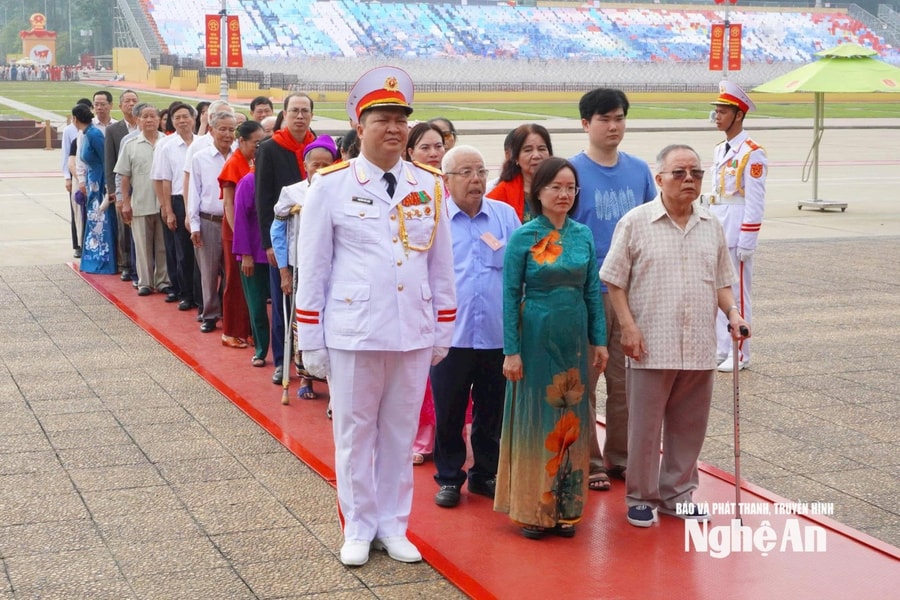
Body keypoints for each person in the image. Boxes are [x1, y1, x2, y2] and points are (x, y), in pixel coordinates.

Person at [295, 66, 456, 567]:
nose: (394, 128)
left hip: (412, 329)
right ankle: (359, 526)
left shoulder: (429, 184)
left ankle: (393, 524)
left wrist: (443, 327)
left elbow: (441, 264)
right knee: (354, 434)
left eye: (400, 120)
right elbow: (314, 266)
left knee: (400, 435)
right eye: (382, 119)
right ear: (359, 126)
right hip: (355, 331)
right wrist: (310, 338)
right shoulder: (331, 185)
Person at [599, 144, 750, 528]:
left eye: (696, 173)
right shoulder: (635, 222)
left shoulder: (711, 225)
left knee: (689, 427)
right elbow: (614, 281)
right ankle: (641, 497)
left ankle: (678, 495)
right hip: (650, 344)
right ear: (659, 178)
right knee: (645, 429)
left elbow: (722, 281)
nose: (688, 180)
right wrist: (628, 326)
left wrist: (733, 313)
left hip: (698, 345)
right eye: (679, 173)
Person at [495, 157, 608, 540]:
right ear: (539, 191)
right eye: (556, 187)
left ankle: (566, 507)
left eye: (570, 187)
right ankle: (533, 508)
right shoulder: (523, 236)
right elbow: (510, 295)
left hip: (573, 336)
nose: (564, 194)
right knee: (537, 418)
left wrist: (599, 340)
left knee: (572, 417)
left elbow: (592, 290)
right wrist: (511, 351)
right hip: (535, 334)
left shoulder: (583, 234)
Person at [569, 88, 657, 491]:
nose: (613, 126)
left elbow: (652, 227)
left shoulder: (639, 171)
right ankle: (590, 461)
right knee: (584, 382)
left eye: (619, 118)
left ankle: (621, 457)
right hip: (588, 294)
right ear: (586, 124)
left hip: (630, 295)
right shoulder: (571, 172)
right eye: (604, 119)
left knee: (626, 383)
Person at [431, 145, 520, 509]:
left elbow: (518, 269)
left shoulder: (504, 215)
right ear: (446, 180)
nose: (476, 180)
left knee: (491, 410)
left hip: (496, 334)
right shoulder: (434, 219)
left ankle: (485, 474)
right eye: (466, 172)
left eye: (481, 171)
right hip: (451, 335)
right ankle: (449, 477)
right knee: (449, 411)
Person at [706, 81, 767, 373]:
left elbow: (755, 200)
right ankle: (723, 348)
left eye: (723, 112)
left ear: (738, 115)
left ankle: (740, 352)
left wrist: (748, 240)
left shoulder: (752, 152)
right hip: (718, 226)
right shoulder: (721, 149)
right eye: (716, 112)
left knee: (739, 293)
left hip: (737, 229)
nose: (717, 117)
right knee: (719, 291)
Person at [255, 93, 317, 385]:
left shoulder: (320, 148)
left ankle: (309, 363)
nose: (300, 116)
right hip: (283, 239)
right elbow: (263, 198)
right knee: (283, 303)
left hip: (313, 241)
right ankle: (281, 361)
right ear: (285, 113)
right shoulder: (270, 148)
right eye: (295, 111)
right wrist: (269, 244)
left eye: (305, 111)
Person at [272, 135, 339, 398]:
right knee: (302, 322)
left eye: (326, 165)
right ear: (305, 165)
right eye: (315, 165)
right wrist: (284, 271)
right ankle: (305, 377)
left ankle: (333, 380)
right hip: (302, 267)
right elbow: (277, 231)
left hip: (334, 267)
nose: (320, 170)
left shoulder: (341, 190)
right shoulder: (292, 192)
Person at [403, 120, 447, 464]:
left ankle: (450, 434)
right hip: (417, 292)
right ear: (410, 152)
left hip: (450, 289)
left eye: (438, 146)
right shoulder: (408, 188)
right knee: (423, 376)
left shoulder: (451, 184)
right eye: (425, 147)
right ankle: (421, 437)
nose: (433, 153)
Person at [218, 120, 265, 349]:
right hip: (235, 232)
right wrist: (240, 236)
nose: (259, 147)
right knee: (236, 282)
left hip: (253, 232)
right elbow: (228, 205)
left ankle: (249, 330)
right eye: (256, 143)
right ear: (242, 141)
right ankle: (231, 331)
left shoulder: (255, 161)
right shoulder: (234, 163)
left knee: (253, 283)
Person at [188, 111, 236, 334]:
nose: (227, 134)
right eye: (222, 129)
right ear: (211, 130)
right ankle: (209, 314)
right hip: (209, 220)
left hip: (234, 222)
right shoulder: (200, 157)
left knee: (231, 271)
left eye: (231, 130)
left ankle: (228, 311)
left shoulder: (240, 155)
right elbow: (194, 192)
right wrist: (194, 225)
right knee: (208, 272)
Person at [115, 104, 170, 296]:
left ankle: (163, 280)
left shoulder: (167, 142)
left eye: (153, 116)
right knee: (142, 246)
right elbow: (124, 176)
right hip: (140, 202)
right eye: (145, 116)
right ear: (137, 120)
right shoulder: (130, 145)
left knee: (163, 246)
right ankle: (145, 282)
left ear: (159, 120)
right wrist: (125, 201)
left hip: (164, 205)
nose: (149, 120)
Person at [152, 102, 196, 309]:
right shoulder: (167, 145)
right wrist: (167, 209)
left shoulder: (203, 143)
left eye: (185, 116)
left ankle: (201, 294)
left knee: (200, 251)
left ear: (193, 119)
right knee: (182, 251)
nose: (182, 121)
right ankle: (185, 293)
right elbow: (163, 179)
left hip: (198, 200)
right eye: (177, 118)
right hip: (178, 201)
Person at [232, 171, 270, 367]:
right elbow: (240, 218)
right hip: (253, 254)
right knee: (256, 306)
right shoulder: (248, 182)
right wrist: (245, 254)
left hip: (278, 255)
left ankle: (285, 350)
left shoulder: (282, 178)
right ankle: (261, 350)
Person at [75, 104, 117, 275]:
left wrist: (108, 186)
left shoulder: (94, 134)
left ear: (75, 119)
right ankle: (94, 257)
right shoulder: (86, 133)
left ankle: (104, 260)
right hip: (93, 183)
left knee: (102, 221)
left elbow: (106, 160)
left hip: (100, 183)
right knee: (94, 221)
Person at [104, 89, 140, 282]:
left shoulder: (145, 126)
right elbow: (110, 162)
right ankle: (126, 265)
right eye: (127, 101)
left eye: (134, 100)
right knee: (125, 227)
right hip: (123, 186)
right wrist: (114, 191)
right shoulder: (113, 130)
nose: (131, 104)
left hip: (142, 186)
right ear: (120, 106)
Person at [486, 124, 552, 223]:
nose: (536, 155)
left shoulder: (563, 187)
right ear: (516, 158)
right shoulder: (501, 194)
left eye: (541, 149)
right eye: (528, 150)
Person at [62, 97, 93, 258]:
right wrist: (69, 177)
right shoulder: (70, 131)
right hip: (78, 179)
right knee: (78, 213)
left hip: (92, 179)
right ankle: (79, 244)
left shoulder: (93, 133)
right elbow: (67, 156)